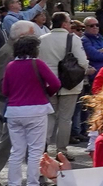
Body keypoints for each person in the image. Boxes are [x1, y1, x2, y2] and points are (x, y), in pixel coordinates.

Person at [0, 34, 59, 186]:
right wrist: (46, 93)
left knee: (16, 151)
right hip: (36, 109)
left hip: (14, 111)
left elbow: (5, 90)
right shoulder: (37, 63)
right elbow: (55, 83)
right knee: (35, 151)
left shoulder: (10, 65)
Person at [37, 11, 90, 160]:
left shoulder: (41, 39)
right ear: (64, 24)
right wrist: (82, 72)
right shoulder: (73, 39)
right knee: (65, 119)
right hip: (70, 83)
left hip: (48, 82)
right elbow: (82, 61)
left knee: (49, 116)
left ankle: (43, 147)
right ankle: (61, 151)